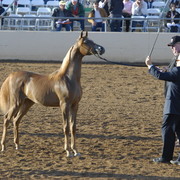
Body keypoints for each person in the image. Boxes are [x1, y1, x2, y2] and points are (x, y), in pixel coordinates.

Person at [145, 35, 180, 165]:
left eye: (174, 45)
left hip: (174, 104)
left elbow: (164, 75)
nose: (172, 48)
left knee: (167, 129)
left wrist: (150, 66)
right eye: (171, 46)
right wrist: (168, 70)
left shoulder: (178, 66)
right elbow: (173, 73)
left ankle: (166, 157)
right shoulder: (176, 63)